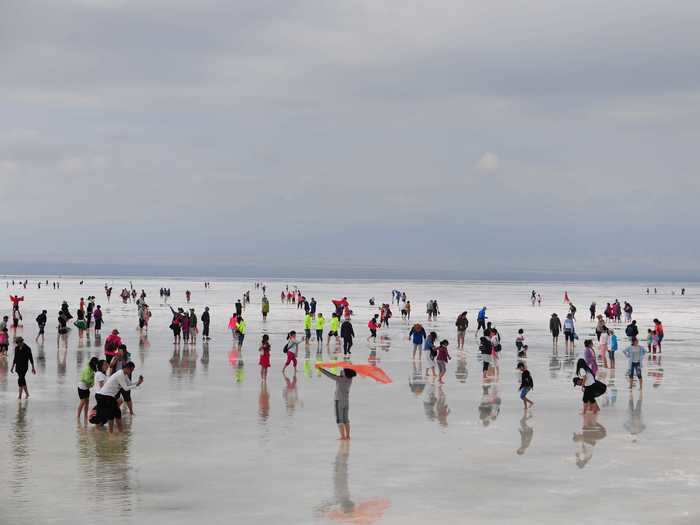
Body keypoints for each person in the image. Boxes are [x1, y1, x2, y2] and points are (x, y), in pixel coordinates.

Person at [94, 362, 143, 433]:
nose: (131, 372)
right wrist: (137, 385)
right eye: (131, 370)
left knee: (117, 414)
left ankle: (120, 433)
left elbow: (129, 384)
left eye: (132, 370)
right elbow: (125, 388)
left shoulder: (124, 374)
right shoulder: (120, 374)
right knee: (110, 416)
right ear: (126, 368)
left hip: (109, 396)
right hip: (104, 396)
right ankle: (110, 434)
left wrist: (138, 382)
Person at [318, 366, 356, 440]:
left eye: (343, 371)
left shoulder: (340, 379)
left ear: (345, 373)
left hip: (339, 401)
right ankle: (348, 436)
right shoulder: (350, 379)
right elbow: (341, 375)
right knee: (346, 420)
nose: (341, 371)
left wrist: (320, 369)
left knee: (339, 420)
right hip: (346, 401)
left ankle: (342, 436)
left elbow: (329, 375)